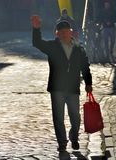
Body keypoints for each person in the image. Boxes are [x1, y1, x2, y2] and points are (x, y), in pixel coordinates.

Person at [31, 15, 92, 152]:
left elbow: (85, 66)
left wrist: (88, 82)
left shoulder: (78, 47)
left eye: (66, 31)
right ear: (56, 34)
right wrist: (36, 29)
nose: (64, 34)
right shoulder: (52, 46)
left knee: (75, 117)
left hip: (72, 87)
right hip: (57, 88)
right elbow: (37, 43)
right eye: (61, 32)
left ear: (71, 32)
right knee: (58, 117)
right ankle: (62, 142)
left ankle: (74, 137)